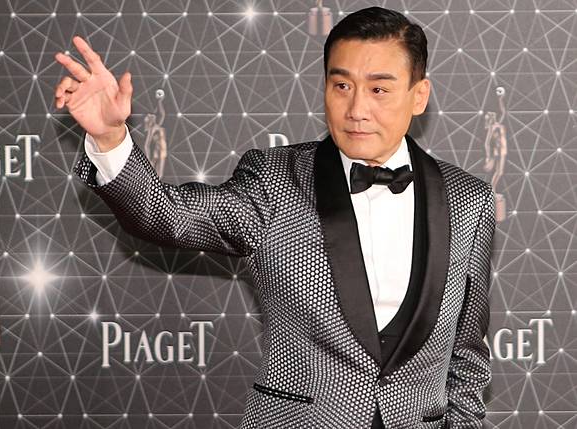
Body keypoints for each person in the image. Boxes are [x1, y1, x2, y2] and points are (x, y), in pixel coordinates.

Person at [54, 6, 495, 428]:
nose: (357, 108)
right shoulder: (273, 182)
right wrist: (110, 136)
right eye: (341, 86)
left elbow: (466, 357)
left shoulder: (467, 199)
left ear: (419, 96)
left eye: (379, 89)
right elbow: (165, 215)